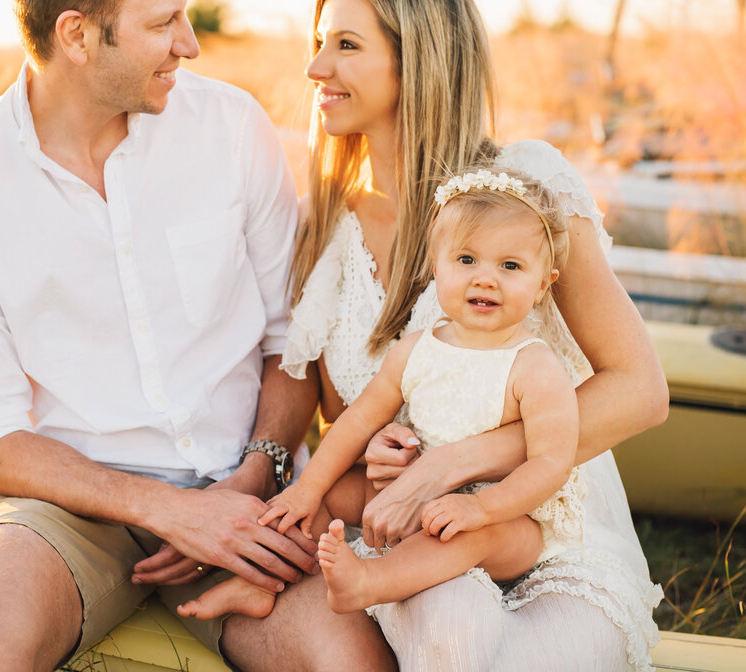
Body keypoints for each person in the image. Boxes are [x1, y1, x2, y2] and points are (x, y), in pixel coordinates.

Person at [0, 0, 395, 672]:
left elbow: (290, 342)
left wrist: (250, 479)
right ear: (76, 35)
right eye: (164, 23)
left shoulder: (232, 129)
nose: (190, 44)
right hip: (68, 509)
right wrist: (169, 511)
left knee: (348, 663)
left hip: (249, 492)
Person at [270, 0, 667, 670]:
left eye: (346, 46)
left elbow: (639, 389)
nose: (315, 66)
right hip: (414, 545)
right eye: (321, 41)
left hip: (554, 538)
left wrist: (458, 462)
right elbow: (348, 415)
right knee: (455, 641)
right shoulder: (328, 224)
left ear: (417, 61)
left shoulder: (525, 185)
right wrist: (381, 451)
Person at [184, 165, 588, 619]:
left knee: (473, 538)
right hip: (412, 489)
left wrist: (480, 507)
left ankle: (368, 582)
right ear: (437, 267)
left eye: (510, 266)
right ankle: (260, 581)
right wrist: (309, 489)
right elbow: (358, 420)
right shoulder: (417, 350)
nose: (485, 278)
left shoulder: (534, 366)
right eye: (467, 260)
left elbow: (552, 464)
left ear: (543, 285)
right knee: (328, 494)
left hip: (507, 518)